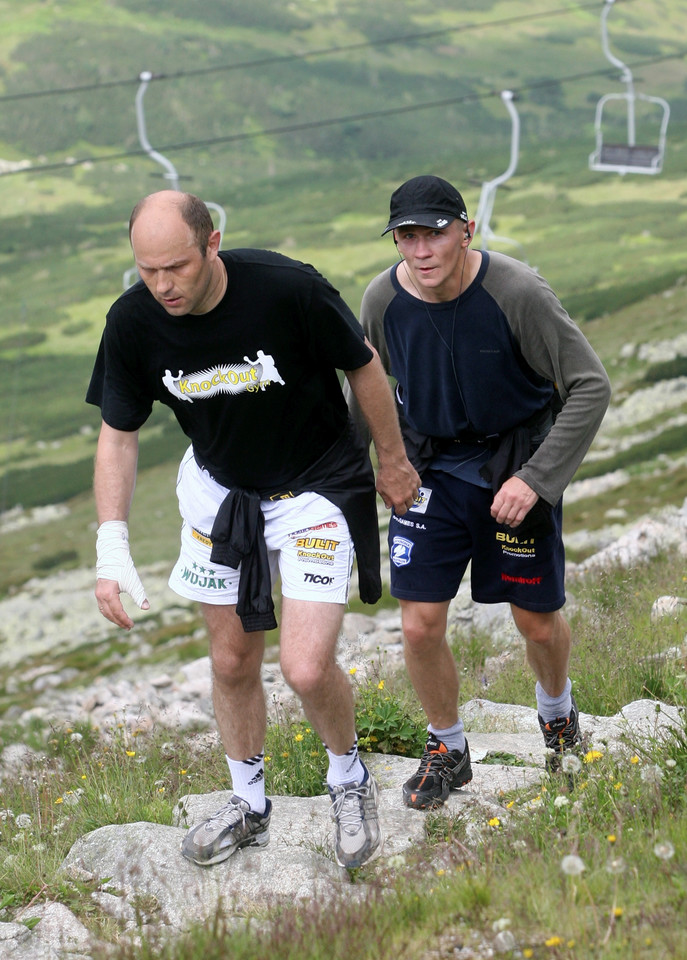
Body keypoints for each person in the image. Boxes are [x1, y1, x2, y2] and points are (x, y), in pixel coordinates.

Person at [86, 190, 420, 868]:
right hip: (220, 492)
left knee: (301, 664)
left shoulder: (285, 290)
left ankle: (347, 778)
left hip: (313, 488)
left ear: (212, 244)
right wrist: (111, 544)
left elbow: (361, 365)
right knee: (232, 659)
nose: (162, 286)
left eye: (175, 267)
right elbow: (118, 436)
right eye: (146, 271)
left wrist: (392, 460)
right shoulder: (133, 322)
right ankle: (248, 801)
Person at [350, 174, 611, 809]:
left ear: (466, 231)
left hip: (513, 466)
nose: (421, 250)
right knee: (419, 626)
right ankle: (448, 747)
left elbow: (589, 386)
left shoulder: (517, 291)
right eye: (407, 237)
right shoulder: (382, 298)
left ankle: (557, 714)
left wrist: (538, 479)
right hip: (429, 471)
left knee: (538, 625)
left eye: (434, 233)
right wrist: (370, 470)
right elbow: (368, 384)